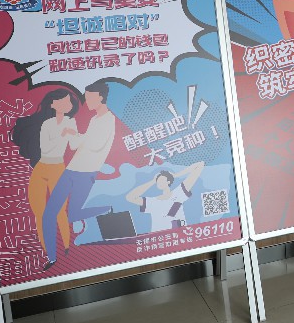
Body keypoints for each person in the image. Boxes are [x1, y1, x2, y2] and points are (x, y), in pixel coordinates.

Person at [41, 81, 116, 270]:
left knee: (72, 215)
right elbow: (79, 145)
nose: (86, 101)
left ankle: (107, 208)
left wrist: (75, 134)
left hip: (86, 174)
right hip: (71, 170)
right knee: (49, 213)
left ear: (100, 97)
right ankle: (51, 258)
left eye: (89, 97)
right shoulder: (94, 119)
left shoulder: (108, 120)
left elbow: (95, 145)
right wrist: (73, 134)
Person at [11, 88, 78, 261]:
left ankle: (66, 248)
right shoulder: (47, 124)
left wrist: (75, 135)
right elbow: (45, 148)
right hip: (41, 168)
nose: (68, 104)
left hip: (58, 168)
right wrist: (62, 135)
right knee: (39, 211)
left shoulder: (71, 122)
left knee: (59, 210)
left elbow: (74, 145)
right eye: (63, 100)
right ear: (53, 104)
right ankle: (48, 253)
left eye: (69, 101)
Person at [126, 161, 205, 232]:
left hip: (180, 235)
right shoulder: (152, 201)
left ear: (168, 182)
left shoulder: (179, 192)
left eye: (162, 180)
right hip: (160, 237)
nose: (159, 182)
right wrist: (152, 181)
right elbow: (130, 197)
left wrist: (176, 175)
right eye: (158, 181)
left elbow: (200, 165)